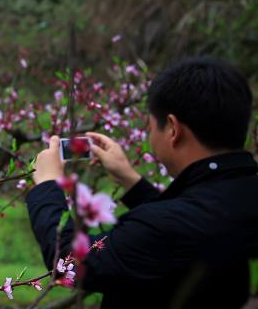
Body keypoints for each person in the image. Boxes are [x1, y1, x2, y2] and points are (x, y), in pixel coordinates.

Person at [26, 57, 257, 309]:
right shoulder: (244, 194)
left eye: (150, 126)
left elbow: (70, 265)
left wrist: (48, 185)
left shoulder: (166, 226)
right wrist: (130, 180)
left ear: (172, 129)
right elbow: (189, 224)